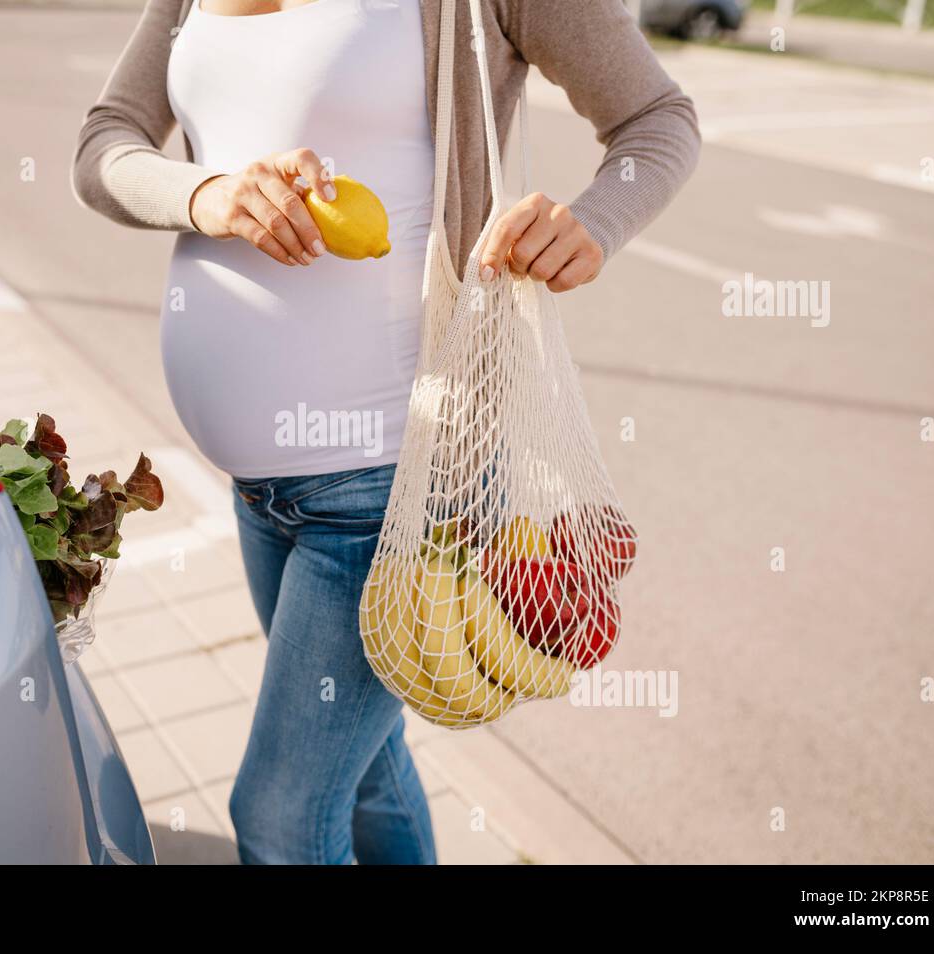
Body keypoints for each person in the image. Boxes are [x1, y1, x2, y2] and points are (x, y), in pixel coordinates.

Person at [72, 0, 699, 864]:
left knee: (282, 816)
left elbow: (657, 118)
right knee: (363, 772)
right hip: (260, 489)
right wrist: (206, 193)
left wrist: (592, 224)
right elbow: (104, 143)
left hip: (393, 482)